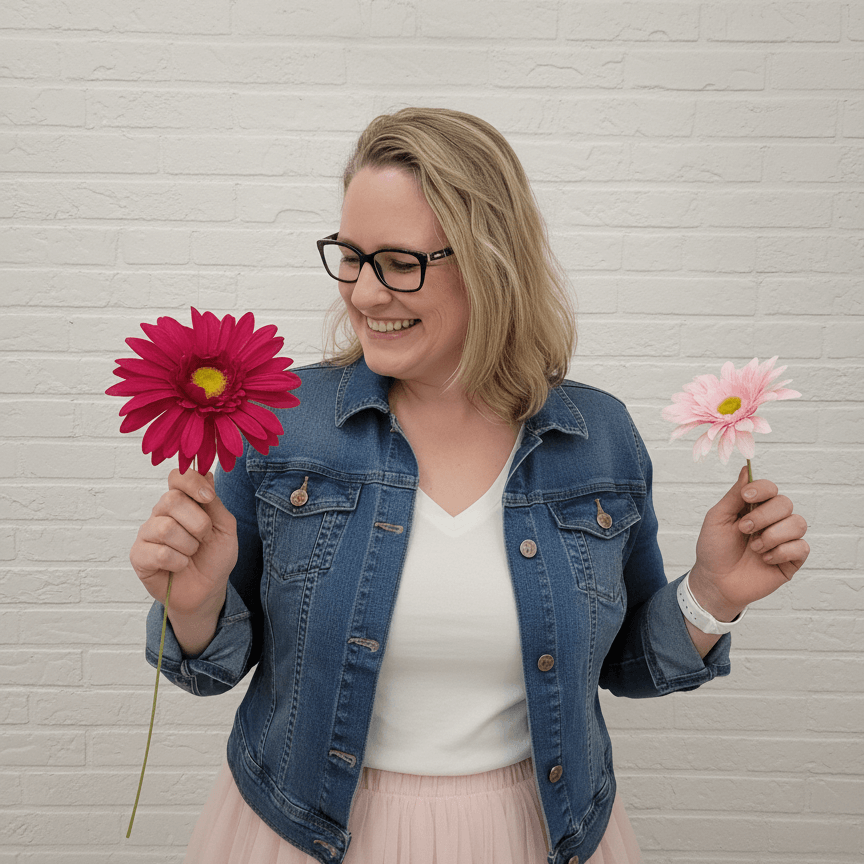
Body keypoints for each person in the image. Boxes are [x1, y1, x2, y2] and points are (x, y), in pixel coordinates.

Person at [130, 107, 810, 864]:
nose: (364, 293)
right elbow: (213, 664)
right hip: (303, 831)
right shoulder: (282, 424)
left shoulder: (599, 438)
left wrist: (712, 595)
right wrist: (192, 605)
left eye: (399, 261)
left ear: (490, 259)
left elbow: (623, 666)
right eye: (350, 256)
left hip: (534, 835)